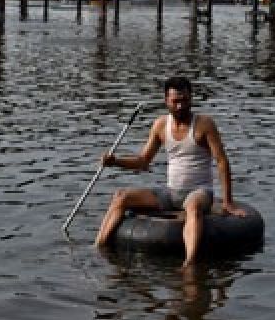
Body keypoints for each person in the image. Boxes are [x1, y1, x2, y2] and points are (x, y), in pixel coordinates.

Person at [95, 75, 246, 267]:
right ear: (166, 100)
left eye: (185, 100)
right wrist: (115, 161)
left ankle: (189, 263)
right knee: (120, 197)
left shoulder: (204, 124)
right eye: (175, 101)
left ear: (191, 98)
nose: (181, 106)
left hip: (199, 192)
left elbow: (222, 162)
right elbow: (143, 162)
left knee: (192, 207)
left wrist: (228, 202)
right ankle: (99, 248)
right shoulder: (160, 125)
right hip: (170, 192)